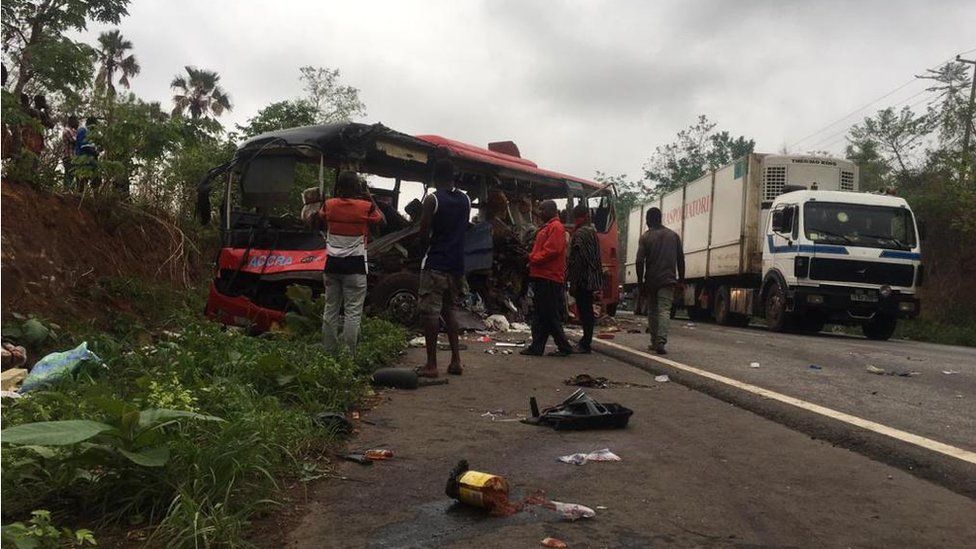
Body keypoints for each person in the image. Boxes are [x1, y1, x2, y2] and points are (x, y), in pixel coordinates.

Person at [415, 158, 471, 377]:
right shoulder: (465, 200)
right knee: (449, 311)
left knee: (430, 313)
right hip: (456, 266)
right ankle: (456, 361)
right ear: (453, 177)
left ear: (435, 178)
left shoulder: (432, 200)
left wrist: (423, 248)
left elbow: (423, 233)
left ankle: (431, 365)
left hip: (436, 263)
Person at [319, 170, 385, 353]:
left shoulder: (328, 205)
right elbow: (381, 220)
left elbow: (318, 218)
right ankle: (349, 356)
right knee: (353, 313)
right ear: (357, 187)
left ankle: (328, 352)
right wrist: (368, 196)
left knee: (330, 310)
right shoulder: (365, 207)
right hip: (355, 269)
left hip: (331, 266)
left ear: (338, 188)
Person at [521, 200, 574, 357]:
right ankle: (537, 346)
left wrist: (532, 258)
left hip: (549, 277)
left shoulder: (555, 228)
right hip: (543, 275)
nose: (539, 212)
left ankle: (563, 346)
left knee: (548, 315)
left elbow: (551, 251)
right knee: (542, 314)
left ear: (551, 210)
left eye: (542, 209)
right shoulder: (548, 227)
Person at [636, 207, 685, 355]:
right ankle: (661, 341)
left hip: (651, 280)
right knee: (664, 310)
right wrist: (681, 280)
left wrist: (640, 283)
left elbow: (639, 261)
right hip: (668, 280)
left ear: (649, 220)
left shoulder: (646, 237)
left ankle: (654, 340)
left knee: (652, 311)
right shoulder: (673, 236)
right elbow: (680, 260)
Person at [566, 203, 603, 353]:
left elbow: (578, 259)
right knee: (586, 309)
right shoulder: (592, 232)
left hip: (583, 278)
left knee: (584, 310)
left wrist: (573, 281)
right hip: (591, 277)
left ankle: (585, 343)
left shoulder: (581, 233)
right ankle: (586, 341)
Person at [61, 116, 79, 189]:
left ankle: (69, 190)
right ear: (72, 121)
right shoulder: (67, 130)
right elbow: (75, 141)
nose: (77, 123)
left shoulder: (73, 131)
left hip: (73, 156)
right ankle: (66, 190)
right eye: (76, 121)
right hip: (68, 156)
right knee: (69, 174)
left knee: (71, 175)